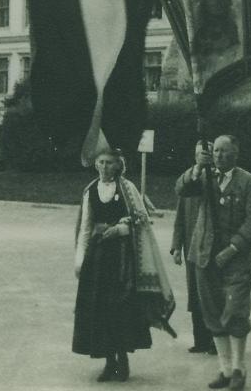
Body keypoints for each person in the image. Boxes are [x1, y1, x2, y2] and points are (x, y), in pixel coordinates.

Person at [73, 148, 175, 383]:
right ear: (95, 164)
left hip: (122, 259)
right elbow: (85, 227)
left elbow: (141, 220)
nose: (104, 167)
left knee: (120, 308)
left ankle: (123, 360)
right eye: (101, 162)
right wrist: (79, 260)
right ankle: (109, 363)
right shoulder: (90, 191)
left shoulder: (128, 189)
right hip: (98, 258)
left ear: (118, 165)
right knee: (100, 309)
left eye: (109, 163)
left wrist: (121, 229)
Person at [179, 135, 251, 391]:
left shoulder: (248, 182)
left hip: (235, 259)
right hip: (204, 255)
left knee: (235, 312)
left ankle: (239, 369)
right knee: (213, 313)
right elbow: (182, 190)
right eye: (215, 151)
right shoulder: (204, 177)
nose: (219, 156)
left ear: (236, 154)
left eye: (225, 152)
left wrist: (233, 248)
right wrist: (196, 167)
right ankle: (225, 370)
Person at [171, 142, 217, 356]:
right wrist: (176, 246)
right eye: (199, 154)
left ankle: (216, 340)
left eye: (206, 154)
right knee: (195, 295)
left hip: (213, 247)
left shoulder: (218, 177)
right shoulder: (190, 178)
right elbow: (180, 216)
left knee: (214, 294)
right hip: (192, 245)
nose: (203, 157)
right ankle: (200, 339)